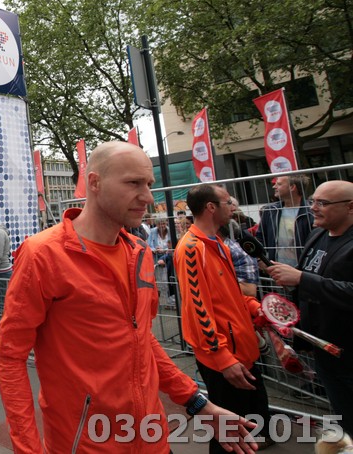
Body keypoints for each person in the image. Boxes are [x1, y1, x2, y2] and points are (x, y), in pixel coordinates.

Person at [0, 142, 256, 453]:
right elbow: (9, 356)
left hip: (153, 440)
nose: (148, 197)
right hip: (86, 445)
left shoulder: (139, 252)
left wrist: (198, 403)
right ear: (95, 183)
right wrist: (28, 449)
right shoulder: (43, 254)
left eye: (149, 184)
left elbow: (141, 338)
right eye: (134, 183)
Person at [174, 184, 271, 453]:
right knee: (229, 439)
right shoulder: (192, 248)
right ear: (210, 207)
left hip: (240, 353)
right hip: (225, 358)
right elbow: (198, 309)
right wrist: (223, 358)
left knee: (248, 432)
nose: (233, 207)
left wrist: (255, 308)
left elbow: (229, 295)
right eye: (228, 202)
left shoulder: (217, 243)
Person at [266, 180, 353, 435]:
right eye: (313, 201)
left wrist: (302, 279)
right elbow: (307, 279)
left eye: (322, 203)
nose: (313, 207)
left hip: (349, 351)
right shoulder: (317, 234)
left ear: (350, 207)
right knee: (343, 415)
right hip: (324, 351)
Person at [256, 174, 314, 266]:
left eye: (279, 184)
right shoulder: (270, 210)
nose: (274, 186)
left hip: (303, 269)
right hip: (275, 268)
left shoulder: (311, 212)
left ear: (292, 187)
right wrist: (260, 260)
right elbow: (260, 237)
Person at [147, 215, 176, 308]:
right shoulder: (153, 231)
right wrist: (154, 249)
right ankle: (166, 302)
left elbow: (173, 245)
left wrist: (164, 250)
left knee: (169, 279)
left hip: (168, 258)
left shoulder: (170, 231)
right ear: (156, 224)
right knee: (161, 282)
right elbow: (149, 244)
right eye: (160, 224)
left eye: (163, 223)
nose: (162, 225)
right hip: (157, 258)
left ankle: (173, 302)